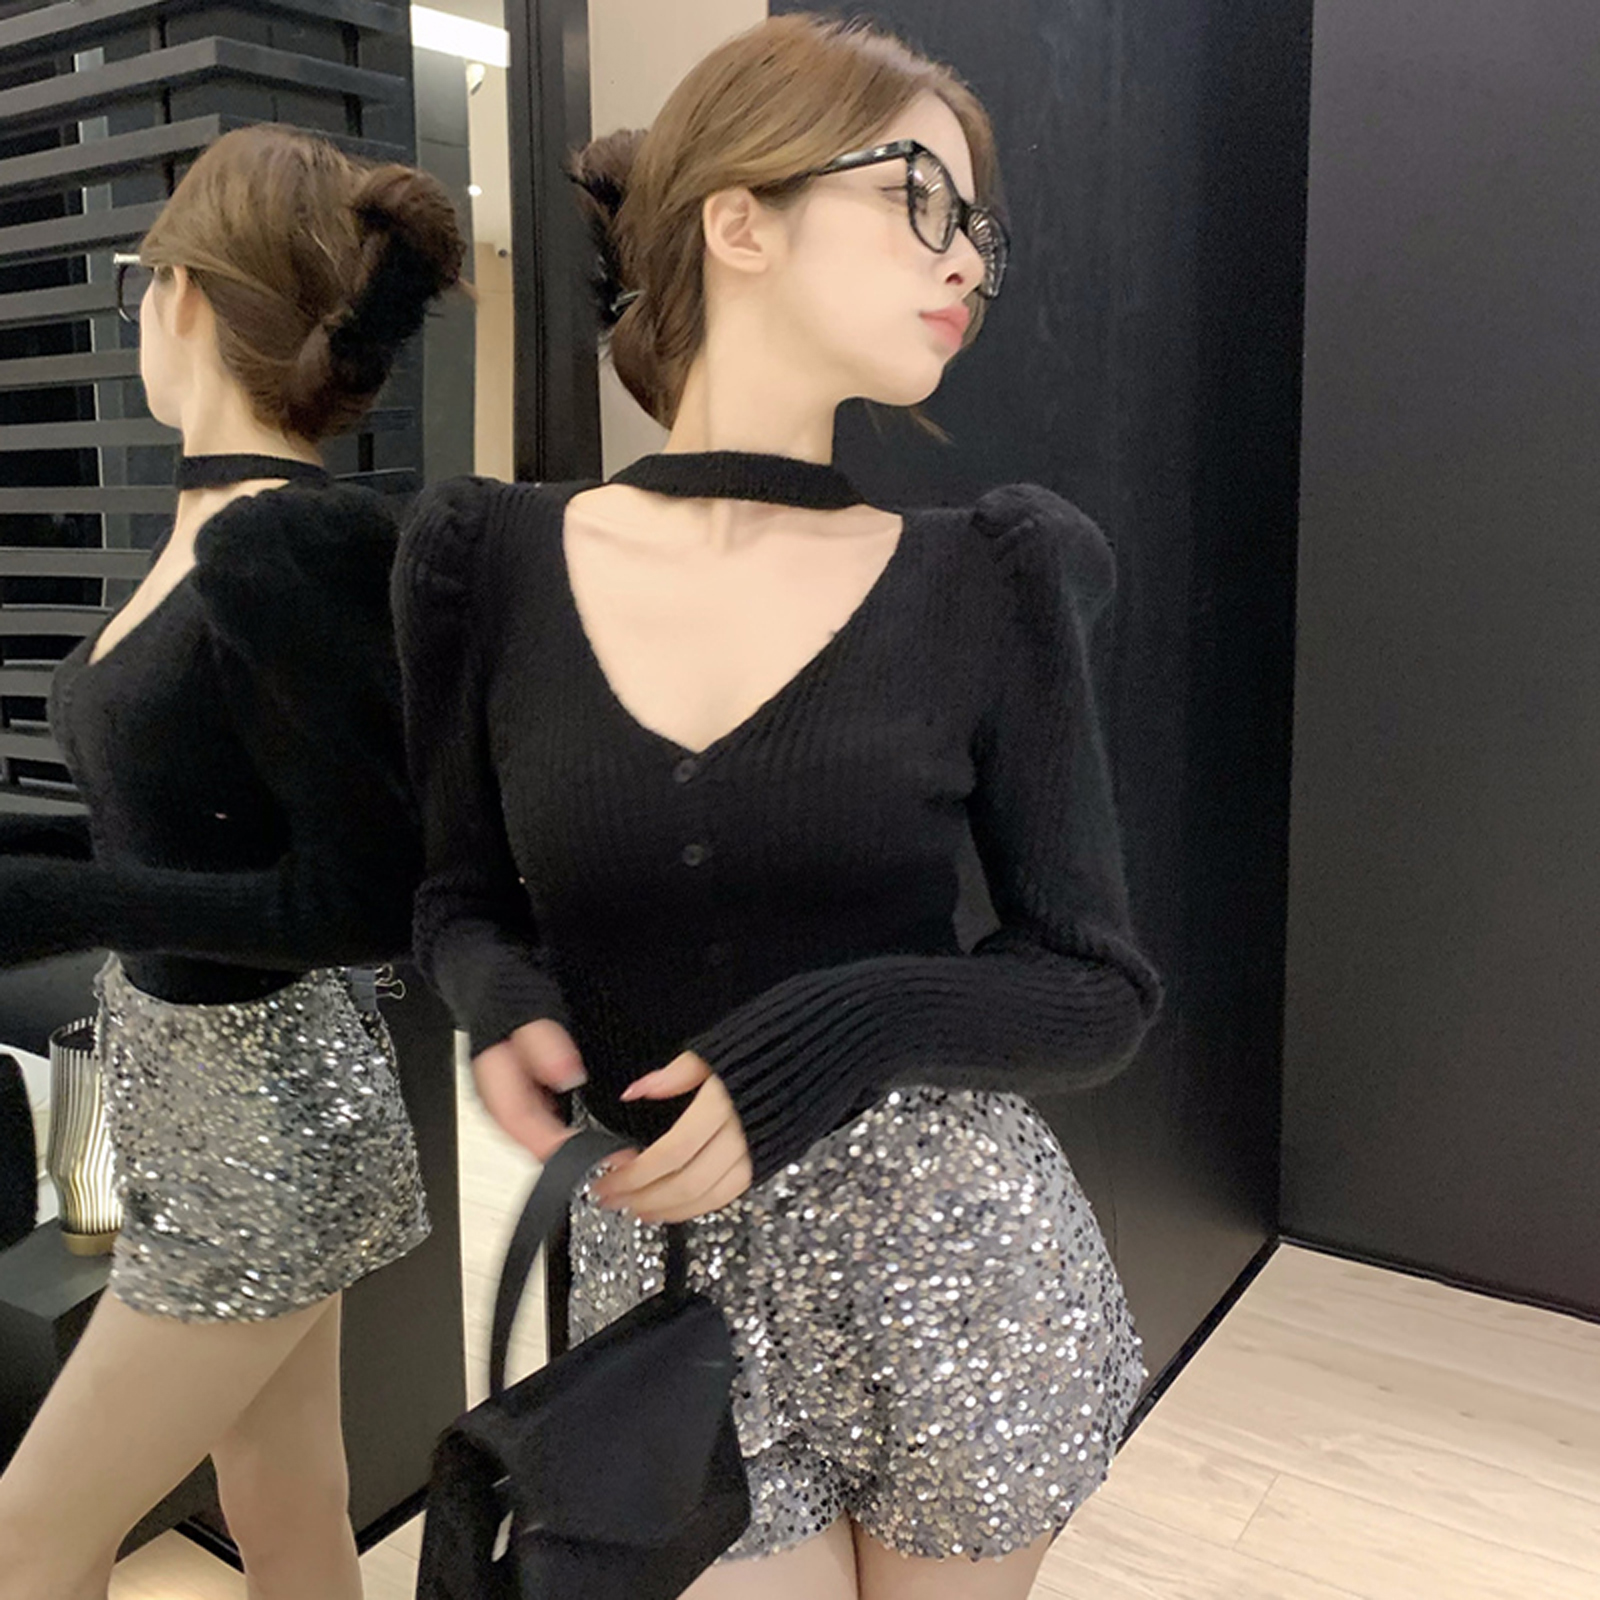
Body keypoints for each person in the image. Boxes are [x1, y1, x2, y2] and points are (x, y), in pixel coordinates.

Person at [396, 14, 1162, 1600]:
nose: (968, 260)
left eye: (979, 228)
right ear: (738, 221)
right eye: (918, 198)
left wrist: (836, 1033)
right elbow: (458, 896)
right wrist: (503, 1001)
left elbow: (1095, 989)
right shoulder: (490, 567)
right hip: (664, 1269)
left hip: (952, 1259)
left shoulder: (991, 574)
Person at [0, 125, 464, 1600]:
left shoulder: (278, 541)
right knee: (283, 1494)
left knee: (28, 1534)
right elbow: (167, 816)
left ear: (181, 292)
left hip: (265, 1119)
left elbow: (364, 898)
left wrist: (53, 903)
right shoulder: (209, 522)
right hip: (199, 1098)